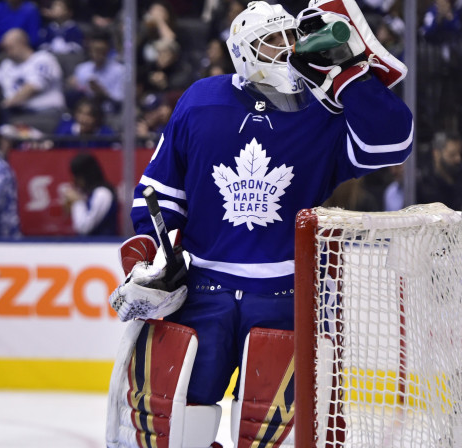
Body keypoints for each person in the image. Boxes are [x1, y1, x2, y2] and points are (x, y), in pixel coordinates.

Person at [105, 1, 413, 447]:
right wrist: (146, 258)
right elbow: (160, 196)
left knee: (270, 434)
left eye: (293, 39)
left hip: (286, 297)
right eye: (274, 41)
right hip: (202, 292)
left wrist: (348, 75)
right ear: (245, 52)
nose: (289, 51)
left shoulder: (322, 109)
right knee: (172, 426)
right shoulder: (201, 100)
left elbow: (392, 144)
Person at [63, 152, 118, 236]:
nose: (74, 181)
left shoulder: (102, 193)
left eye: (76, 176)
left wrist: (77, 202)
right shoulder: (89, 194)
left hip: (103, 246)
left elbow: (84, 227)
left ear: (85, 175)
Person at [417, 131, 462, 210]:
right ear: (436, 154)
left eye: (459, 154)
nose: (458, 159)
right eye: (452, 154)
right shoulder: (423, 186)